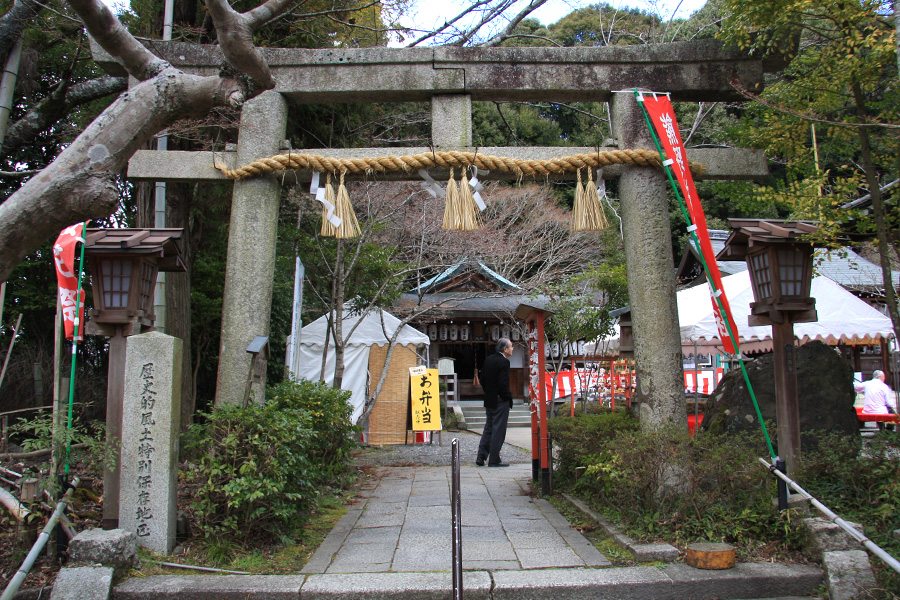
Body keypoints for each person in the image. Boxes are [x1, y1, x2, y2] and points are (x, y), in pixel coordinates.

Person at [476, 338, 514, 467]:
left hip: (490, 398)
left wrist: (489, 392)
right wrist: (506, 396)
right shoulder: (504, 362)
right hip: (500, 400)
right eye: (511, 346)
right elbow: (503, 384)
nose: (512, 349)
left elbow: (482, 379)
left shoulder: (489, 359)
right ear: (505, 349)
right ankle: (494, 459)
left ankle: (481, 457)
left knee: (489, 428)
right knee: (498, 429)